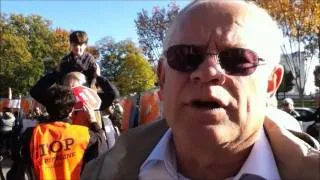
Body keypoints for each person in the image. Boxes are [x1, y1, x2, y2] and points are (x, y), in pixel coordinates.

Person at [81, 1, 320, 179]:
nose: (208, 72)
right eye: (185, 56)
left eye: (237, 59)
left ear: (271, 82)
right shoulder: (101, 171)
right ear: (162, 78)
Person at [7, 85, 107, 180]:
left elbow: (18, 166)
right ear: (71, 109)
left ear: (47, 108)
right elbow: (102, 145)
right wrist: (93, 121)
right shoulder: (84, 134)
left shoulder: (32, 134)